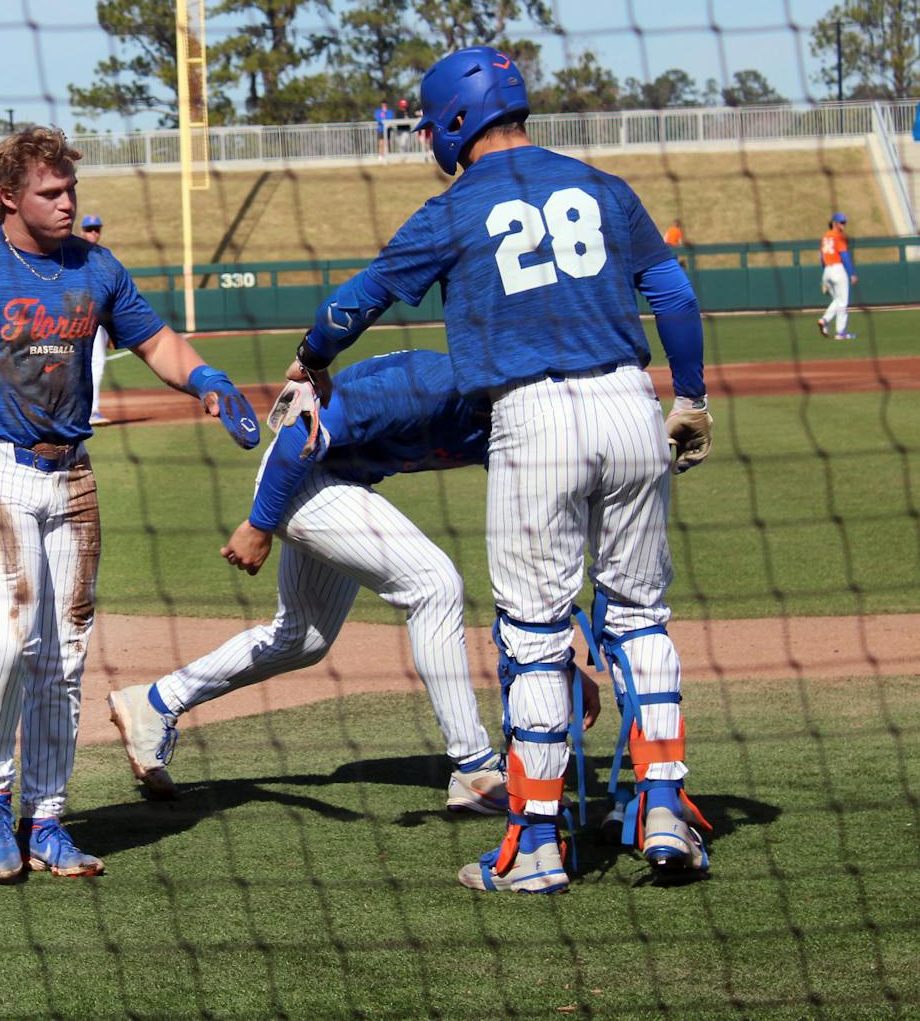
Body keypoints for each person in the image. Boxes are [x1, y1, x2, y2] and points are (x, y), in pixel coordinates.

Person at [286, 46, 713, 894]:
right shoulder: (601, 183)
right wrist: (690, 397)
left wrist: (311, 358)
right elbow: (674, 296)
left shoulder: (453, 209)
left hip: (533, 419)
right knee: (639, 618)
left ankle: (538, 846)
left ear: (451, 121)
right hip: (630, 403)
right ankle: (663, 808)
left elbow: (356, 301)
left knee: (533, 633)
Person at [0, 126, 261, 882]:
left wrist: (209, 380)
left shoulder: (96, 267)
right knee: (5, 641)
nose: (67, 201)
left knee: (66, 656)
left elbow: (156, 341)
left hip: (71, 477)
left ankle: (47, 816)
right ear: (9, 195)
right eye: (50, 191)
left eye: (70, 188)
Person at [108, 348, 604, 808]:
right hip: (301, 474)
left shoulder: (515, 417)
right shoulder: (421, 387)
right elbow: (297, 434)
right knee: (435, 586)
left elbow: (524, 539)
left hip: (342, 484)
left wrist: (551, 660)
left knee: (301, 639)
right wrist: (259, 524)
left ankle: (154, 703)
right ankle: (474, 768)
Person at [79, 214, 112, 425]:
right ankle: (90, 411)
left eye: (96, 229)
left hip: (99, 317)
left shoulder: (103, 255)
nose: (93, 233)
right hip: (81, 316)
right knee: (92, 362)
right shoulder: (74, 253)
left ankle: (91, 410)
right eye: (89, 229)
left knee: (97, 362)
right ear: (82, 231)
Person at [817, 212, 857, 340]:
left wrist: (824, 277)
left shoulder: (825, 236)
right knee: (843, 302)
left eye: (844, 222)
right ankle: (841, 333)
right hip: (838, 269)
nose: (844, 224)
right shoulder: (839, 236)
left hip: (827, 270)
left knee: (838, 301)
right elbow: (844, 256)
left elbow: (822, 258)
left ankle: (824, 320)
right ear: (834, 223)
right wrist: (852, 273)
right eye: (841, 222)